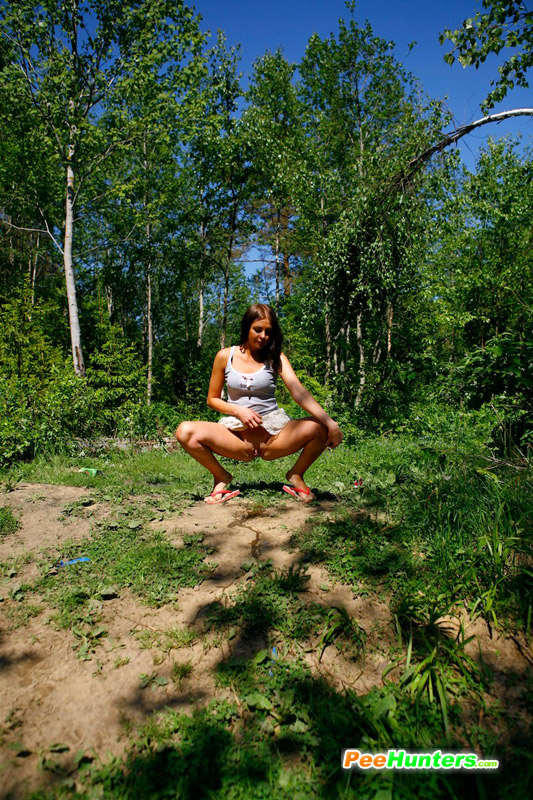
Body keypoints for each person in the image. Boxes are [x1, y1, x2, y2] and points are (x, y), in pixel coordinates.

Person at [176, 303, 343, 504]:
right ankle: (221, 476)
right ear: (246, 327)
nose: (263, 336)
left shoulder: (277, 358)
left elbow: (299, 393)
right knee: (185, 431)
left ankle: (296, 475)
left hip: (273, 438)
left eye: (268, 331)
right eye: (257, 329)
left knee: (320, 427)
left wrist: (331, 422)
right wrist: (239, 411)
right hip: (236, 438)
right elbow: (212, 399)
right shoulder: (224, 356)